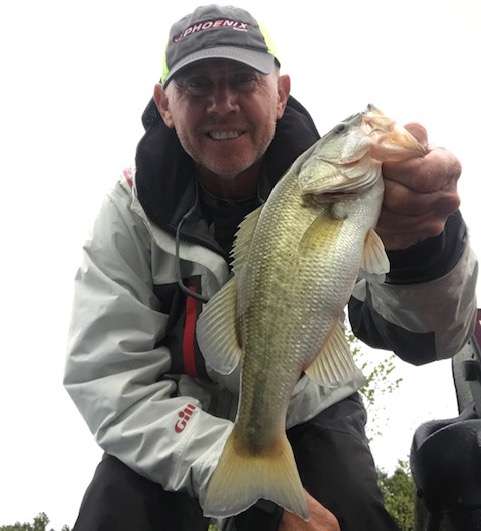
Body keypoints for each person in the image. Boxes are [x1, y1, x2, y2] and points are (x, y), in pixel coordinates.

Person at [63, 5, 477, 531]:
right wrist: (259, 494)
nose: (223, 104)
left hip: (310, 405)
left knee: (351, 515)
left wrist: (424, 248)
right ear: (164, 104)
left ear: (280, 94)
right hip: (172, 415)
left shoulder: (350, 192)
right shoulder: (128, 213)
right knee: (114, 514)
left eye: (243, 80)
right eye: (196, 85)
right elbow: (109, 378)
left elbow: (428, 341)